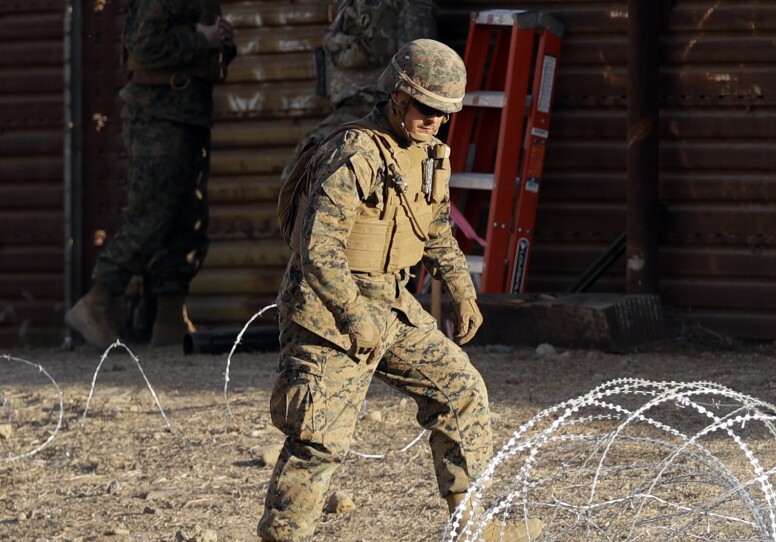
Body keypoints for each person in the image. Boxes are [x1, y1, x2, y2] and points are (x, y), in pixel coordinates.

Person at [258, 39, 543, 542]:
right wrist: (353, 317)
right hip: (328, 308)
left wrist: (462, 287)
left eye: (445, 112)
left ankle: (470, 524)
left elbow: (434, 228)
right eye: (426, 108)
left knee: (459, 389)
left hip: (390, 300)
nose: (435, 119)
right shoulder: (355, 154)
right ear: (397, 97)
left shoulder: (430, 155)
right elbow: (317, 252)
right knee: (319, 437)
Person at [65, 0, 236, 349]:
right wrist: (202, 39)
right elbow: (144, 47)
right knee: (153, 213)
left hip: (190, 115)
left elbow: (198, 50)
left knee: (188, 220)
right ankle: (97, 301)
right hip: (157, 117)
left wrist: (222, 43)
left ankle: (170, 318)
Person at [279, 0, 437, 183]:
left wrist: (333, 42)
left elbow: (378, 47)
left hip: (373, 103)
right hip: (365, 105)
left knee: (300, 169)